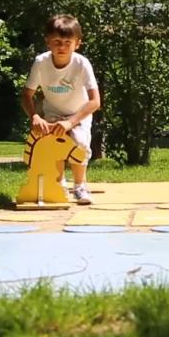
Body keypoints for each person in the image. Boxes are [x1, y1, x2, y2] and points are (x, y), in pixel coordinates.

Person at [21, 15, 101, 205]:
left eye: (67, 42)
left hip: (78, 113)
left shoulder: (82, 64)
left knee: (79, 143)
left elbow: (95, 101)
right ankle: (58, 183)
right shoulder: (41, 63)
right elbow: (26, 94)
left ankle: (80, 186)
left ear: (77, 43)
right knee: (51, 144)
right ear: (47, 41)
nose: (62, 47)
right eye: (57, 41)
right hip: (53, 113)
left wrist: (71, 121)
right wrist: (35, 116)